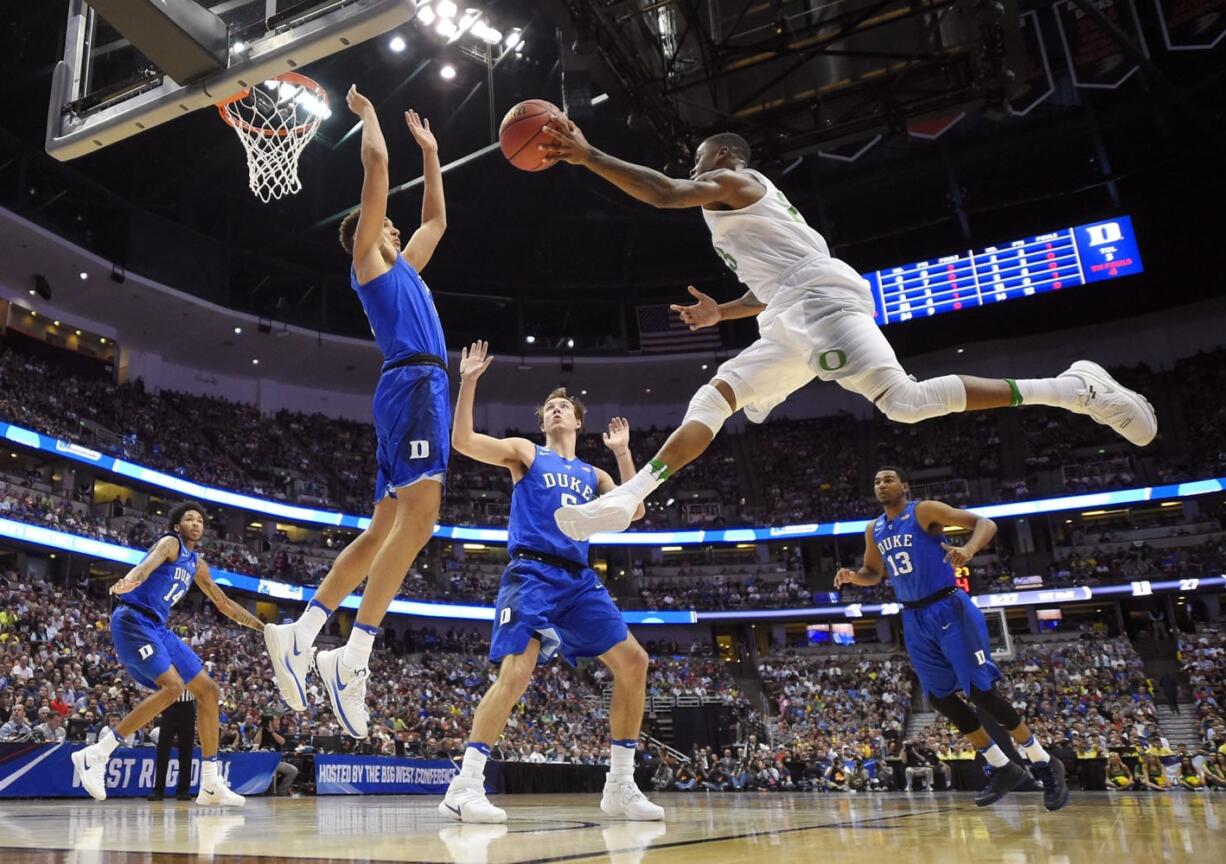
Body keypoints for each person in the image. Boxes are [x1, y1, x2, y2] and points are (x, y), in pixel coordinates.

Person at [539, 120, 1158, 543]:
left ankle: (1074, 388)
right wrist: (721, 314)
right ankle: (629, 496)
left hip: (819, 302)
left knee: (906, 404)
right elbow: (768, 284)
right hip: (790, 310)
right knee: (716, 396)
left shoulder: (736, 182)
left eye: (700, 159)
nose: (693, 168)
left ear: (723, 158)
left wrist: (589, 155)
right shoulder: (746, 209)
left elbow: (668, 193)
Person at [263, 90, 449, 739]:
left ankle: (304, 631)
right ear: (371, 237)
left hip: (413, 391)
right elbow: (374, 171)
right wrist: (371, 117)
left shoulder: (411, 272)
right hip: (413, 386)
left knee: (380, 534)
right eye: (389, 226)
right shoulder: (369, 259)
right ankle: (355, 654)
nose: (399, 229)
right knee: (421, 519)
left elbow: (436, 223)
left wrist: (430, 154)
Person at [437, 341, 664, 823]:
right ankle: (465, 784)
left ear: (578, 422)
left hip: (579, 582)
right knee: (516, 674)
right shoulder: (526, 453)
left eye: (564, 406)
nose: (557, 409)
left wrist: (623, 454)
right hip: (532, 573)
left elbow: (635, 508)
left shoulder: (593, 472)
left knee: (634, 662)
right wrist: (469, 380)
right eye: (549, 407)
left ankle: (620, 784)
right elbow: (464, 441)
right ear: (543, 422)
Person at [835, 468, 1069, 810]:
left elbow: (985, 523)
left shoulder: (924, 510)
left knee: (980, 692)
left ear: (904, 486)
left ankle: (1045, 762)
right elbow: (874, 573)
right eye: (876, 481)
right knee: (941, 698)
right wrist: (854, 576)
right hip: (913, 617)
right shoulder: (874, 529)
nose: (881, 484)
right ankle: (1003, 767)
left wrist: (969, 550)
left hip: (948, 607)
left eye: (888, 479)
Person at [70, 501, 262, 806]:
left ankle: (211, 783)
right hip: (133, 618)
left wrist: (262, 627)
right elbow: (147, 565)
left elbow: (224, 604)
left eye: (200, 520)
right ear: (177, 526)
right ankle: (96, 754)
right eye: (190, 519)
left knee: (209, 691)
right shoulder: (170, 543)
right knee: (173, 687)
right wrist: (130, 579)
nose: (197, 523)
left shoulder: (197, 564)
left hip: (158, 627)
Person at [149, 691, 196, 801]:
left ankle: (183, 791)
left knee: (186, 751)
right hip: (169, 705)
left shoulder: (194, 672)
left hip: (187, 706)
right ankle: (158, 790)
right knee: (163, 751)